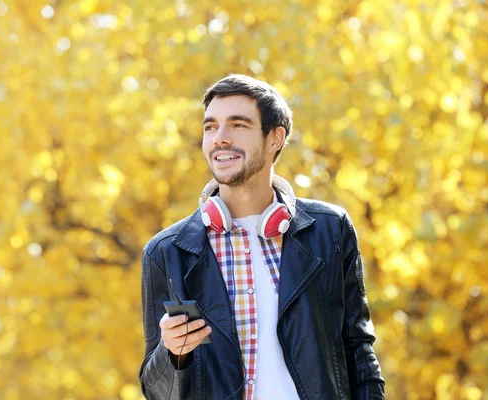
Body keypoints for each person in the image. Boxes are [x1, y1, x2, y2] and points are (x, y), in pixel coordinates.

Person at [139, 74, 385, 399]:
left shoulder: (330, 230)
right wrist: (173, 355)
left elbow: (359, 352)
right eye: (210, 127)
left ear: (274, 139)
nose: (220, 139)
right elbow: (157, 391)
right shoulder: (166, 252)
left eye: (237, 125)